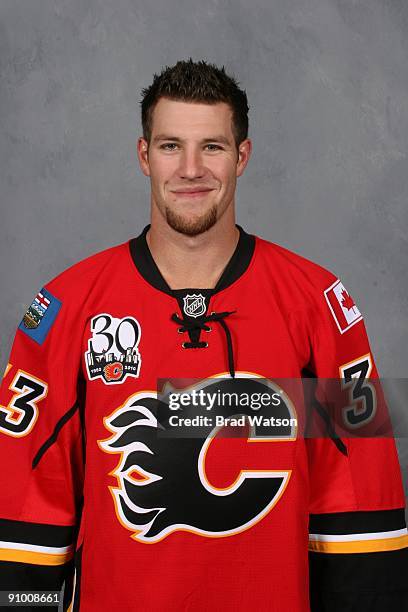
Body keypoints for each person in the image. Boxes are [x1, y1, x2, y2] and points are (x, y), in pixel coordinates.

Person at [0, 59, 407, 611]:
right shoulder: (66, 307)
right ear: (144, 156)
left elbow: (358, 498)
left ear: (242, 156)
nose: (191, 169)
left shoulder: (317, 304)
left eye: (212, 147)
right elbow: (27, 505)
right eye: (171, 146)